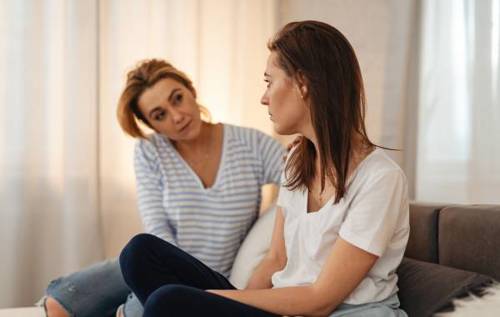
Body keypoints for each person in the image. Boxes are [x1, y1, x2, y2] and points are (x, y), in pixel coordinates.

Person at [119, 20, 410, 317]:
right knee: (138, 253)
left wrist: (201, 299)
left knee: (166, 302)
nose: (264, 97)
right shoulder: (298, 164)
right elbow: (275, 259)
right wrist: (219, 304)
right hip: (285, 309)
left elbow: (320, 299)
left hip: (335, 312)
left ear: (303, 83)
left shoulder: (380, 179)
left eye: (269, 82)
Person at [42, 59, 284, 317]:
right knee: (58, 304)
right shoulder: (150, 151)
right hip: (158, 262)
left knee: (136, 308)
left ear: (191, 90)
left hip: (207, 278)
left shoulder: (251, 145)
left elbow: (300, 177)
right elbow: (157, 228)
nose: (177, 117)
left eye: (177, 98)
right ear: (151, 125)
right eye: (160, 115)